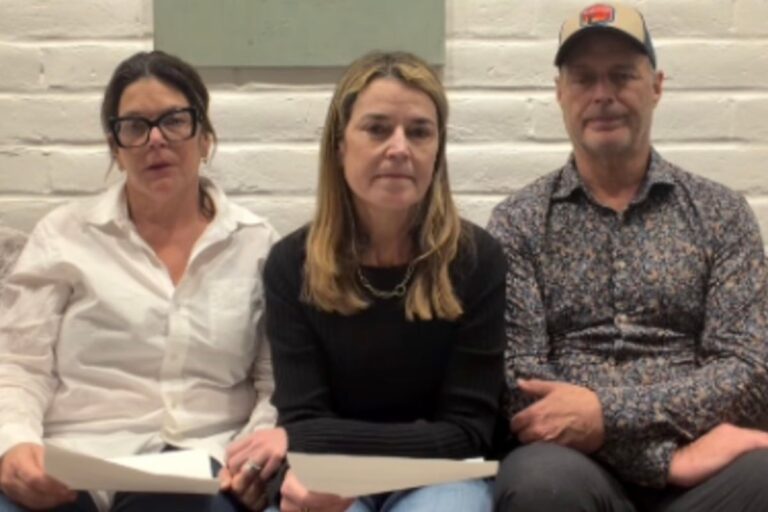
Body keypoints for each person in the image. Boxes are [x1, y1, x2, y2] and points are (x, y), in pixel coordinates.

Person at [488, 3, 768, 511]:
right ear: (559, 93)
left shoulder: (723, 214)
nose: (603, 95)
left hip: (708, 477)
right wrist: (661, 459)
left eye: (622, 76)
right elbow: (519, 384)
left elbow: (748, 373)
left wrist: (605, 415)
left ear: (656, 86)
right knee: (538, 482)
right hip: (572, 468)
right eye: (583, 79)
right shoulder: (519, 222)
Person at [0, 51, 285, 512]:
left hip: (201, 463)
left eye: (174, 121)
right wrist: (14, 444)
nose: (156, 140)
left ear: (205, 137)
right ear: (115, 148)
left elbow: (276, 384)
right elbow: (18, 363)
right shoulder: (63, 236)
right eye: (134, 126)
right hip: (73, 459)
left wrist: (251, 458)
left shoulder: (256, 244)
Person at [260, 51, 506, 512]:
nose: (399, 148)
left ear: (438, 150)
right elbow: (303, 419)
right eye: (377, 129)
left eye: (419, 132)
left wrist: (308, 437)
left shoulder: (477, 260)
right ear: (339, 145)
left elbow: (467, 433)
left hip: (440, 478)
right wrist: (308, 442)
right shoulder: (291, 265)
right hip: (330, 474)